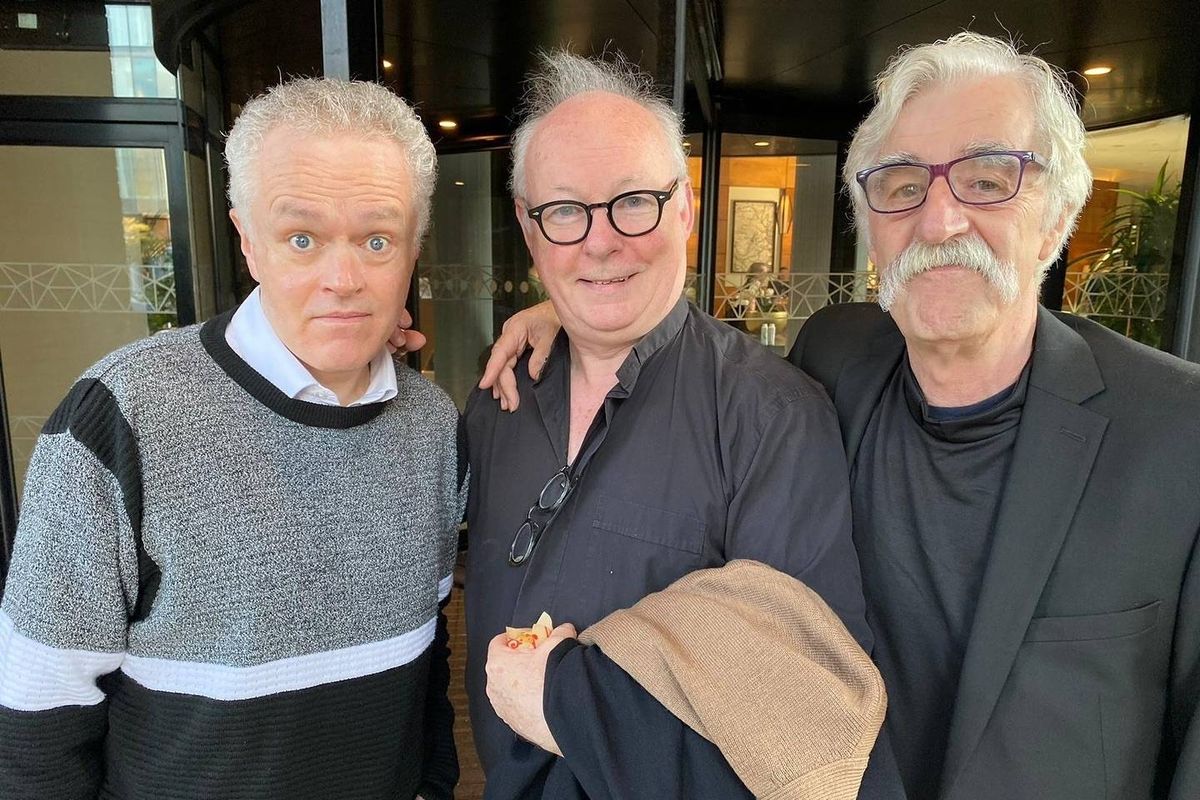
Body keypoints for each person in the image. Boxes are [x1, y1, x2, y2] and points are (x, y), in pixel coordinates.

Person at [483, 32, 1200, 800]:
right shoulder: (837, 359)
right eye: (901, 186)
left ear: (1057, 217)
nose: (940, 221)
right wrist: (575, 307)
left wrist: (562, 697)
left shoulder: (1176, 434)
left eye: (989, 179)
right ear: (871, 225)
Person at [0, 78, 464, 800]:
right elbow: (36, 720)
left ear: (412, 246)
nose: (343, 279)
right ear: (248, 239)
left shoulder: (433, 426)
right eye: (302, 238)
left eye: (377, 239)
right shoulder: (120, 421)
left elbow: (424, 667)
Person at [462, 51, 898, 799]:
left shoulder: (770, 417)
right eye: (565, 211)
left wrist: (565, 706)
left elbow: (805, 726)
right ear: (531, 236)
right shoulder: (499, 396)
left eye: (634, 201)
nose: (602, 242)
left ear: (687, 210)